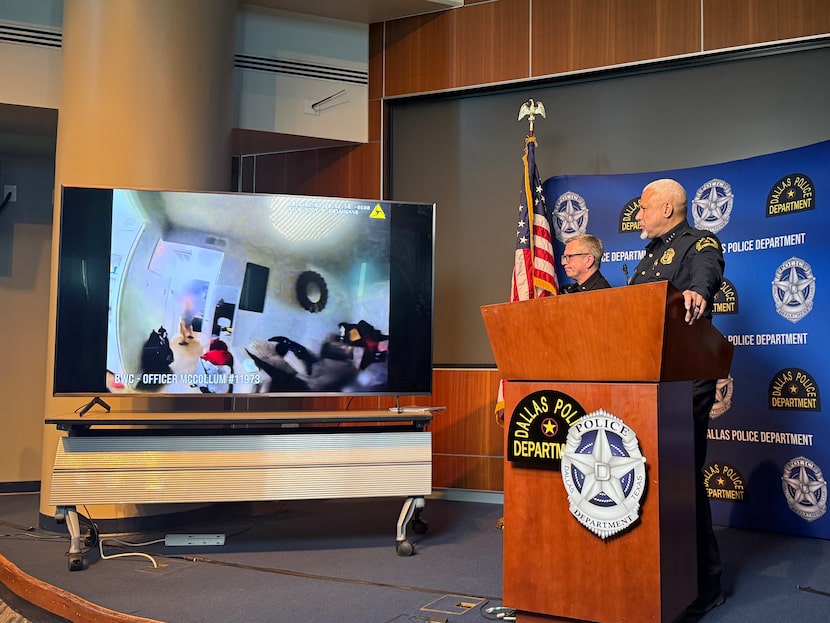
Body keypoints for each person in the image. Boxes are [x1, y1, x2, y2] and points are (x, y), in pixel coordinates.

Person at [629, 178, 725, 616]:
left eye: (645, 208)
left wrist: (696, 294)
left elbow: (706, 278)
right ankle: (653, 576)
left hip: (684, 380)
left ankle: (704, 587)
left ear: (667, 208)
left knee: (682, 477)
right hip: (645, 379)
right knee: (649, 478)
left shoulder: (700, 243)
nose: (638, 216)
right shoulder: (648, 256)